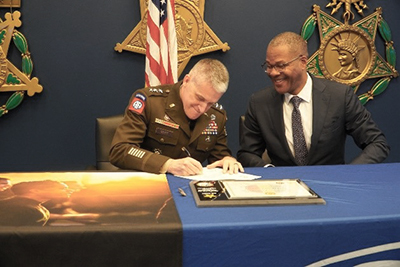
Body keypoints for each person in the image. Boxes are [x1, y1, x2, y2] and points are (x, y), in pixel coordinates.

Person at [237, 31, 389, 167]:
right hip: (284, 189)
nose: (273, 73)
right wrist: (270, 172)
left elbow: (377, 143)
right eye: (269, 66)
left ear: (303, 62)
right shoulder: (259, 102)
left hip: (332, 186)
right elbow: (247, 154)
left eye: (280, 65)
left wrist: (348, 174)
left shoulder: (339, 96)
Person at [110, 58, 244, 176]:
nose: (202, 108)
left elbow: (219, 157)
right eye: (199, 98)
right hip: (148, 185)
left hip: (188, 191)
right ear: (186, 80)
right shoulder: (150, 101)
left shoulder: (217, 116)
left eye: (210, 103)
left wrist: (228, 160)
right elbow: (120, 150)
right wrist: (167, 164)